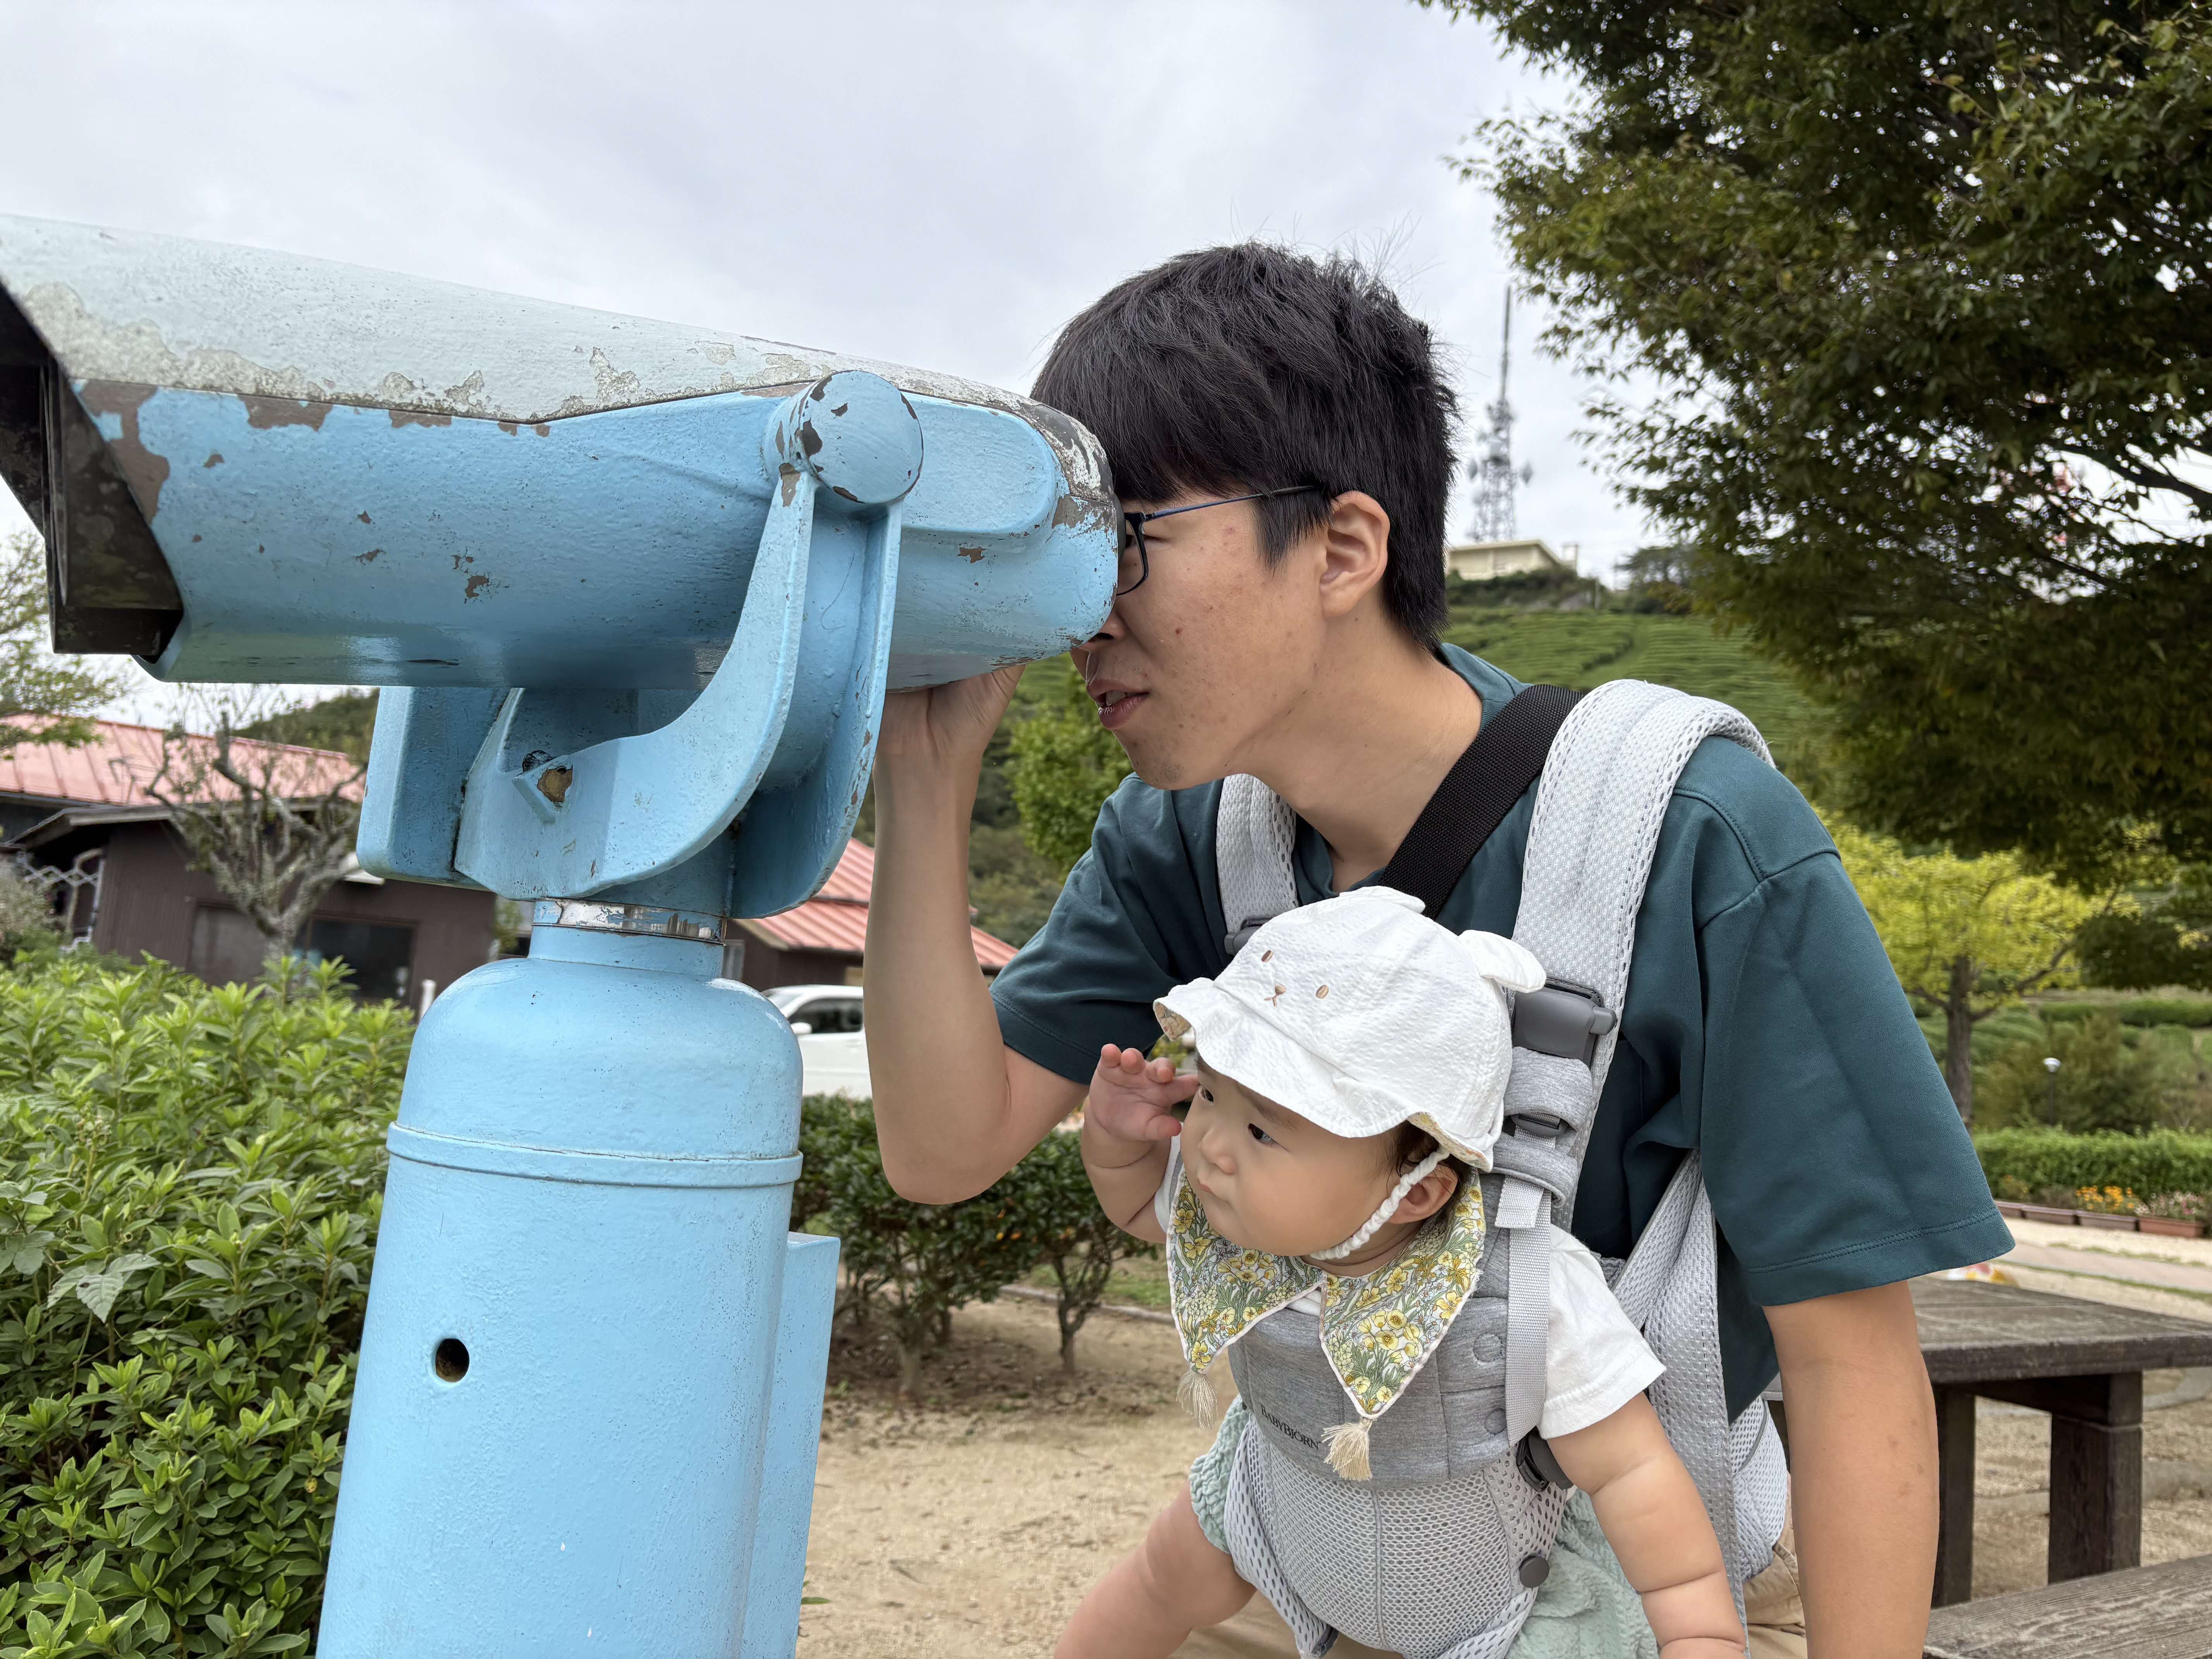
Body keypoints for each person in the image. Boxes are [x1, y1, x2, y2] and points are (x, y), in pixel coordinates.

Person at [865, 243, 2010, 1656]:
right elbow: (939, 1147)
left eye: (1133, 540)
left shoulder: (1686, 834)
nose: (1084, 614)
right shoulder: (1186, 835)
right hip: (1336, 1556)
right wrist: (926, 781)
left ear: (1344, 548)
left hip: (1651, 1591)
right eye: (1070, 551)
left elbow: (1853, 1363)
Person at [1059, 888, 1746, 1659]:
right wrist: (1113, 1142)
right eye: (1211, 1093)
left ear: (1415, 1192)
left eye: (1261, 1130)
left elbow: (1631, 1472)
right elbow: (1140, 1207)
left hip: (1487, 1579)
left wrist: (1698, 1627)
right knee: (1165, 1571)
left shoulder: (1525, 1288)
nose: (1210, 1146)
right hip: (1283, 1496)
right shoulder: (1240, 1222)